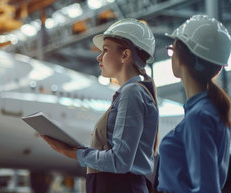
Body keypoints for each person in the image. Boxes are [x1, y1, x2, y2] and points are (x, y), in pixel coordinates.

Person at [41, 18, 159, 193]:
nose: (98, 57)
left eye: (105, 50)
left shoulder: (132, 93)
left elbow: (119, 160)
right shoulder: (132, 93)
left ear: (125, 55)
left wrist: (73, 153)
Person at [157, 15, 231, 193]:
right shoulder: (211, 110)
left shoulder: (199, 116)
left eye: (171, 50)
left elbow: (206, 189)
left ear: (181, 58)